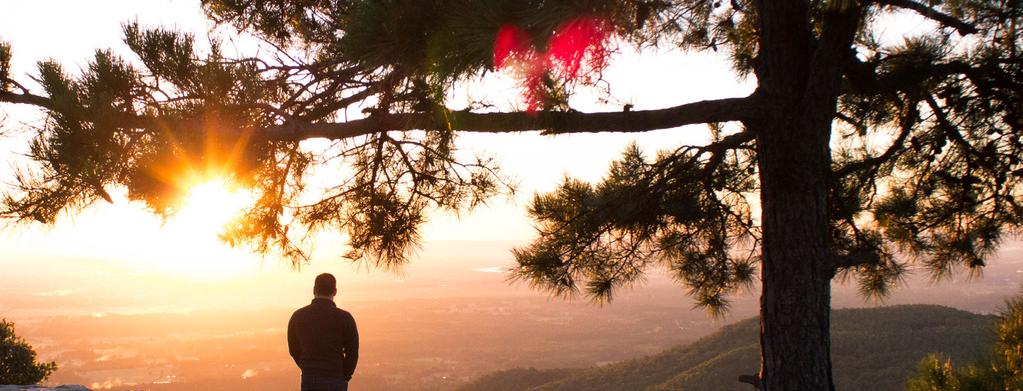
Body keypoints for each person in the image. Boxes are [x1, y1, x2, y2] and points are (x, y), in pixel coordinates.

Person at [288, 273, 360, 391]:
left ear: (314, 290)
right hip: (336, 377)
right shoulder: (345, 318)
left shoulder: (298, 316)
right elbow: (352, 352)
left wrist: (306, 366)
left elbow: (294, 349)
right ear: (335, 291)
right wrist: (345, 376)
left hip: (309, 378)